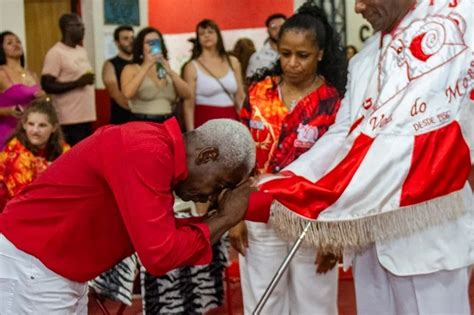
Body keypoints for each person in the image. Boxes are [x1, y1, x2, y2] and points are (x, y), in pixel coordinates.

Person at [245, 0, 474, 314]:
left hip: (428, 237)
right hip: (368, 237)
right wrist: (280, 183)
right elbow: (342, 137)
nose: (358, 7)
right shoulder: (363, 60)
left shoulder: (457, 28)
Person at [0, 117, 256, 314]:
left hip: (52, 268)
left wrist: (220, 218)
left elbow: (161, 233)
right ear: (207, 155)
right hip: (33, 264)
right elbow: (160, 254)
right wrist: (225, 218)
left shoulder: (156, 150)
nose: (213, 195)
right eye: (220, 184)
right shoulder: (147, 151)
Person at [231, 3, 347, 314]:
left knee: (315, 305)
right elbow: (239, 157)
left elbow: (341, 170)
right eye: (285, 53)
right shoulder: (258, 93)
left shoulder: (333, 103)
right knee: (263, 303)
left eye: (303, 55)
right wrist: (234, 214)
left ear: (320, 54)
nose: (292, 63)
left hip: (312, 219)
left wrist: (333, 234)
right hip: (259, 213)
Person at [0, 98, 69, 211]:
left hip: (47, 208)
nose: (35, 130)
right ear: (24, 125)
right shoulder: (15, 153)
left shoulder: (63, 149)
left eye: (42, 125)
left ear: (54, 128)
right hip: (14, 213)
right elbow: (23, 199)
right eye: (31, 124)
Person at [41, 13, 96, 146]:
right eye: (78, 25)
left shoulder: (81, 51)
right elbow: (47, 85)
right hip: (69, 119)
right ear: (67, 28)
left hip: (86, 116)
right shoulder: (56, 53)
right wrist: (78, 82)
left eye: (83, 25)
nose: (83, 28)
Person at [182, 19, 245, 131]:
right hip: (204, 122)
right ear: (198, 39)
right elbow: (188, 104)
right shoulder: (192, 67)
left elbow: (240, 97)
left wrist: (245, 124)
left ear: (218, 35)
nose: (206, 35)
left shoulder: (233, 62)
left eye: (210, 32)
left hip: (231, 121)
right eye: (202, 33)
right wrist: (191, 133)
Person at [121, 27, 191, 123]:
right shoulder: (131, 69)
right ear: (141, 46)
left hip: (168, 122)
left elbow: (187, 94)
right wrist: (147, 66)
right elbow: (127, 94)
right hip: (142, 122)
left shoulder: (165, 69)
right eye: (149, 42)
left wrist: (170, 71)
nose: (153, 45)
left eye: (157, 42)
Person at [0, 31, 45, 147]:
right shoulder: (1, 73)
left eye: (18, 41)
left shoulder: (32, 74)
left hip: (30, 134)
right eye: (10, 43)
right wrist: (8, 111)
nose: (16, 45)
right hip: (7, 134)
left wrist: (42, 98)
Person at [102, 25, 134, 124]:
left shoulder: (141, 63)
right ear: (117, 43)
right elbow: (116, 95)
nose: (130, 41)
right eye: (125, 38)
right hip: (121, 119)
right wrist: (141, 108)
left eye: (132, 38)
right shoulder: (110, 65)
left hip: (142, 118)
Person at [246, 13, 287, 78]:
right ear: (268, 31)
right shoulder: (258, 57)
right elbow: (252, 84)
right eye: (274, 28)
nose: (278, 30)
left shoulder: (296, 53)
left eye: (282, 27)